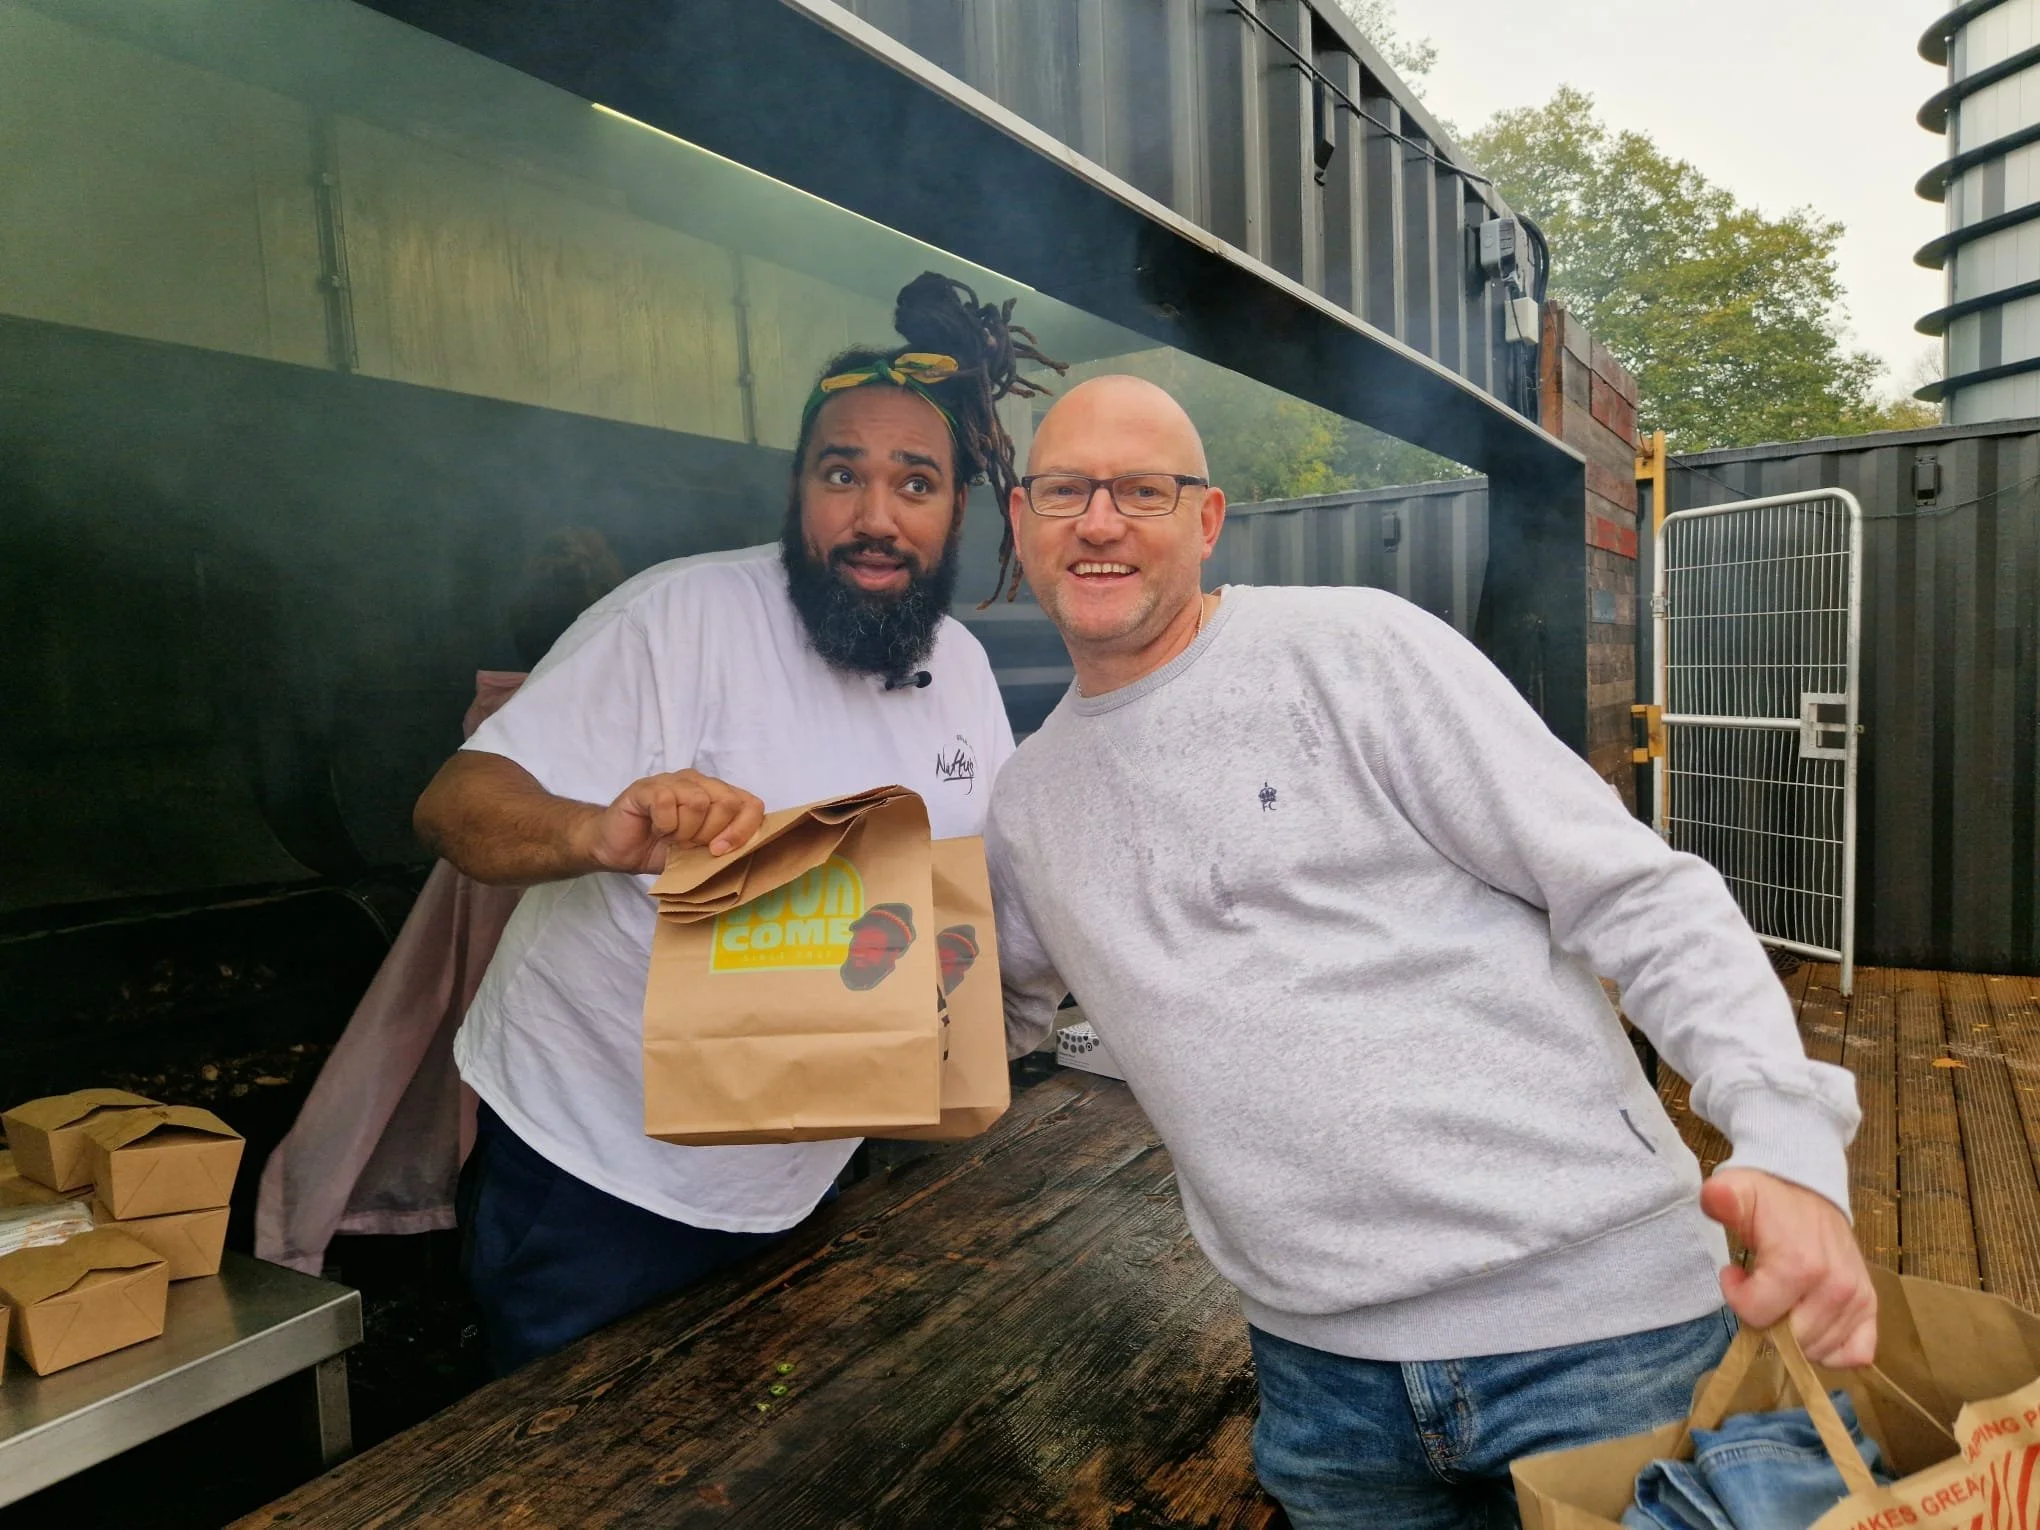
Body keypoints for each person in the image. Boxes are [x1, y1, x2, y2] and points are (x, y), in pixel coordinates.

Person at [984, 375, 1873, 1528]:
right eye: (1066, 491)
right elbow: (952, 1032)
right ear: (1020, 522)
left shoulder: (1356, 652)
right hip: (1322, 1391)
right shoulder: (1026, 805)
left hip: (1604, 1340)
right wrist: (721, 883)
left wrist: (1790, 1140)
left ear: (1205, 523)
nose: (1100, 521)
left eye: (1142, 490)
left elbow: (1640, 895)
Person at [412, 273, 1059, 1375]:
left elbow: (974, 897)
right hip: (598, 1167)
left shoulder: (962, 673)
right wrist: (595, 834)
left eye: (916, 482)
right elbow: (456, 808)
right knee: (571, 1471)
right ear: (798, 490)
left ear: (959, 508)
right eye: (840, 473)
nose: (873, 515)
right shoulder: (679, 617)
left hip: (812, 1162)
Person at [256, 529, 624, 1277]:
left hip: (495, 903)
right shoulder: (568, 712)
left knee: (471, 1051)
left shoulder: (504, 708)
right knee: (508, 1062)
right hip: (532, 910)